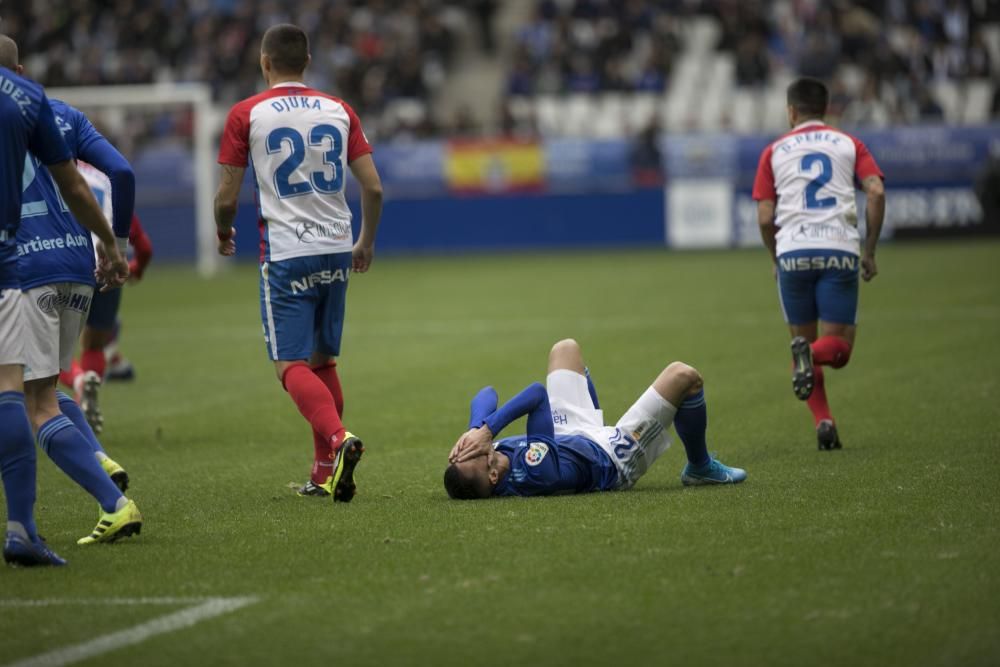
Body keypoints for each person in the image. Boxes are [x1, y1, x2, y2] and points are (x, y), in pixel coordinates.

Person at [214, 24, 383, 501]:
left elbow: (227, 197)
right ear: (307, 61)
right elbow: (373, 187)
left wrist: (223, 230)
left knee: (288, 365)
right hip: (336, 246)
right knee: (324, 361)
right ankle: (323, 471)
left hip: (287, 252)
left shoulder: (246, 113)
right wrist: (365, 242)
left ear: (265, 62)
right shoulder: (339, 109)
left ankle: (338, 438)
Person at [6, 38, 143, 547]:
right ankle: (97, 457)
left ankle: (114, 504)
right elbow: (122, 171)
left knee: (28, 400)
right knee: (39, 384)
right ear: (19, 70)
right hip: (76, 260)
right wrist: (116, 245)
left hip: (25, 265)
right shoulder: (58, 112)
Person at [752, 77, 886, 450]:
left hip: (793, 252)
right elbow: (875, 190)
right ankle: (810, 358)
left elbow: (765, 217)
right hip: (838, 250)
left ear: (791, 111)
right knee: (838, 350)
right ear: (825, 110)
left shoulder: (774, 151)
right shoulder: (848, 143)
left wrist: (775, 256)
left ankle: (823, 419)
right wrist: (870, 250)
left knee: (803, 343)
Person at [444, 339, 746, 499]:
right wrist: (488, 429)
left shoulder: (489, 458)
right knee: (684, 376)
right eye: (475, 453)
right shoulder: (537, 472)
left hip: (567, 436)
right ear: (493, 476)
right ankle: (700, 467)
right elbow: (537, 395)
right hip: (612, 456)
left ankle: (587, 404)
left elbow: (486, 393)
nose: (477, 447)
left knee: (565, 348)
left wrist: (474, 429)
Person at [58, 161, 155, 432]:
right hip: (107, 266)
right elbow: (145, 247)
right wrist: (135, 270)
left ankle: (78, 382)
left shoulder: (52, 168)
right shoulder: (107, 180)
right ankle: (86, 398)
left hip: (65, 261)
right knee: (94, 345)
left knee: (50, 349)